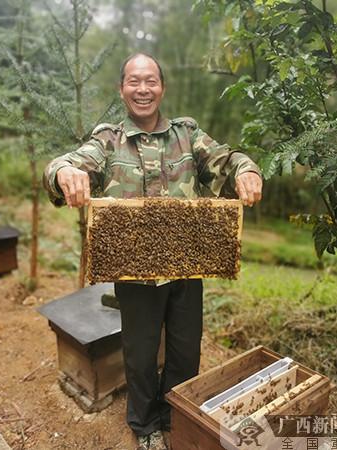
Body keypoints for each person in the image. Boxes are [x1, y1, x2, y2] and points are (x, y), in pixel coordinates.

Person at [43, 53, 262, 450]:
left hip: (187, 266)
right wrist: (64, 172)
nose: (142, 89)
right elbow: (70, 163)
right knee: (141, 355)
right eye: (133, 81)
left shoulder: (187, 134)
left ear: (162, 87)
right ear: (122, 89)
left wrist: (246, 169)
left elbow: (226, 160)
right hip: (135, 276)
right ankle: (145, 426)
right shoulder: (108, 140)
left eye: (150, 81)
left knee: (184, 351)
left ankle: (175, 416)